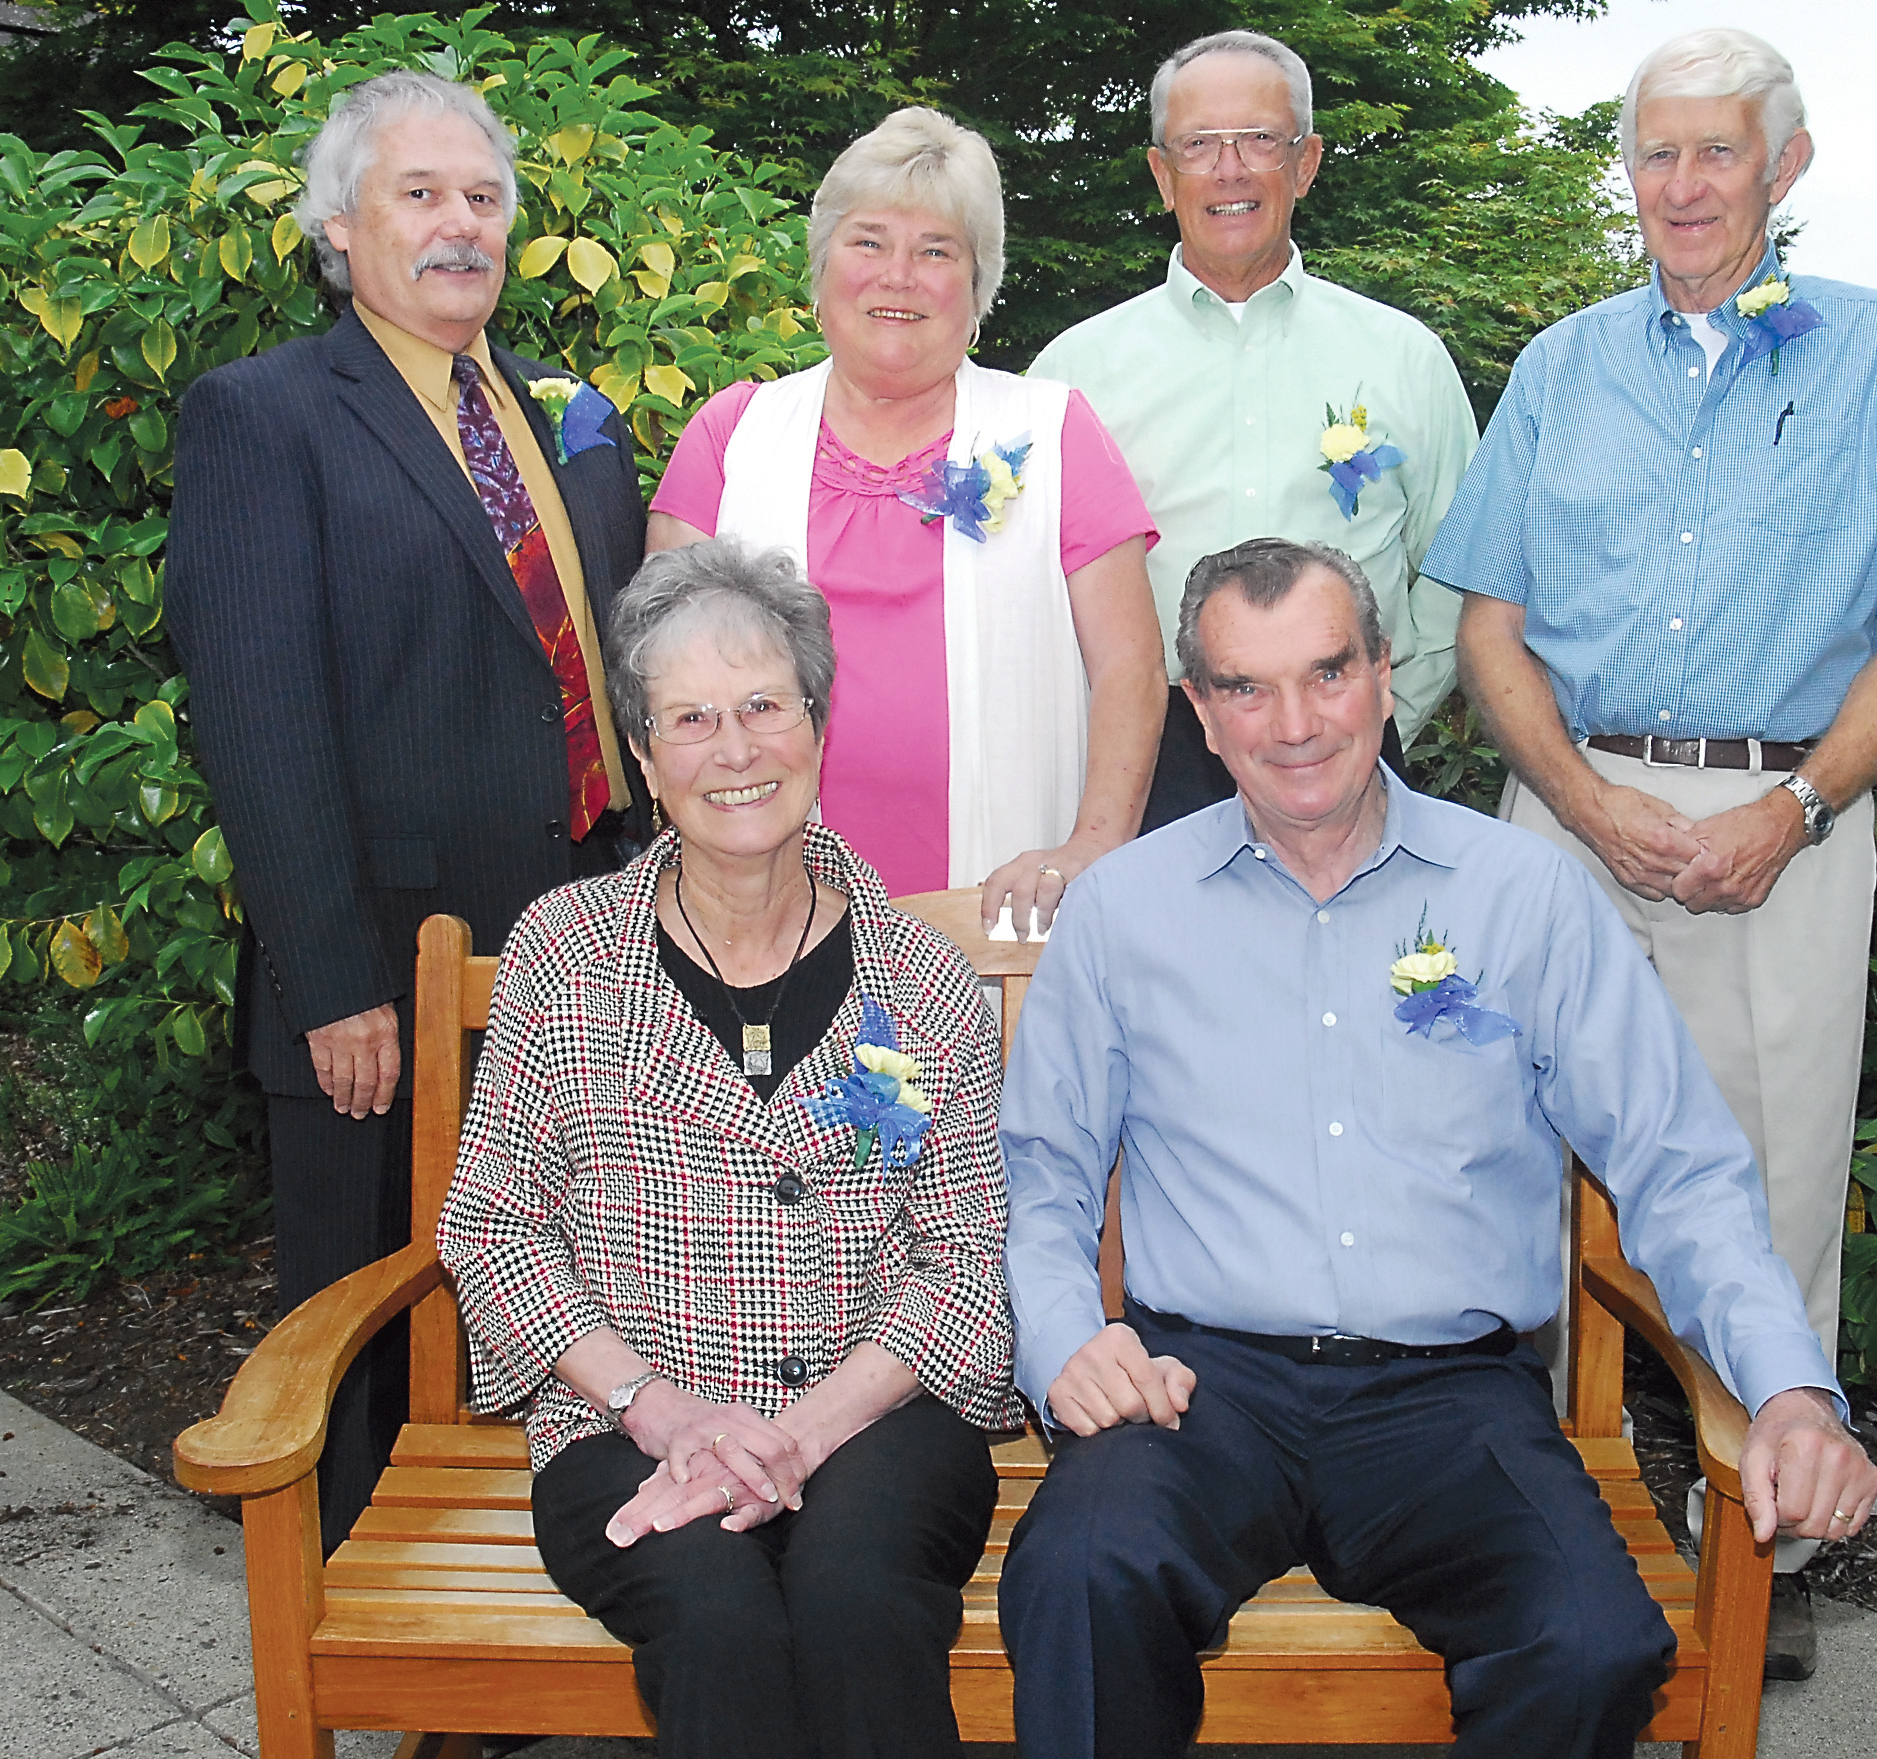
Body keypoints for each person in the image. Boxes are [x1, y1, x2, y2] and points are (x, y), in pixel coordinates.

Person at [996, 537, 1877, 1759]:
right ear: (1198, 710)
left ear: (1385, 673)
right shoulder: (1123, 910)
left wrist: (1786, 1388)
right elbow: (1042, 1172)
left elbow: (1676, 1166)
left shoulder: (1523, 896)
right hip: (1200, 1388)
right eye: (1245, 687)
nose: (1294, 722)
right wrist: (1063, 1341)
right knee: (1081, 1577)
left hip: (1445, 1394)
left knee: (1591, 1641)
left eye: (1325, 673)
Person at [1422, 28, 1877, 1675]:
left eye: (1717, 153)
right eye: (1656, 155)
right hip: (1564, 816)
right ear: (1624, 175)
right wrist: (1577, 794)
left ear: (1786, 167)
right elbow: (1489, 622)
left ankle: (1757, 1539)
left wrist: (1797, 806)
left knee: (1765, 1192)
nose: (1683, 186)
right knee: (1510, 1166)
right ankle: (1509, 1513)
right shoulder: (1559, 364)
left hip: (1785, 820)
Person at [164, 71, 651, 1551]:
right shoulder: (263, 417)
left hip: (573, 953)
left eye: (485, 196)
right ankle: (364, 1629)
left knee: (564, 1284)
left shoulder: (566, 418)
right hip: (380, 980)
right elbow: (260, 716)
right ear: (337, 227)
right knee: (372, 1321)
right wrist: (335, 983)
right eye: (418, 195)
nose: (460, 226)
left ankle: (550, 1584)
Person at [437, 536, 1023, 1759]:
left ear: (817, 725)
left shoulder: (917, 980)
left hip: (876, 1416)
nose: (736, 747)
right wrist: (662, 1411)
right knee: (715, 1618)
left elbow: (967, 1265)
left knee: (860, 1602)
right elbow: (487, 1229)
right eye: (690, 718)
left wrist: (792, 1436)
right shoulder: (564, 952)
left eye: (764, 705)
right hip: (623, 1419)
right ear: (646, 759)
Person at [648, 107, 1163, 933]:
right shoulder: (729, 434)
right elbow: (658, 685)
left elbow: (1130, 671)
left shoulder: (1058, 432)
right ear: (821, 268)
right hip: (757, 920)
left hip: (1001, 919)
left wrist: (1090, 851)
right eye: (868, 241)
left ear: (975, 285)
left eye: (935, 251)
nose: (898, 275)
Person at [1031, 30, 1477, 830]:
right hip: (1148, 772)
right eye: (1198, 144)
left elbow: (1457, 573)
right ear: (1161, 177)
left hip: (1347, 751)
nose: (1228, 170)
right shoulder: (1071, 374)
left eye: (1259, 141)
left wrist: (1372, 718)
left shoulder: (1403, 356)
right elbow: (1030, 599)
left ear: (1304, 164)